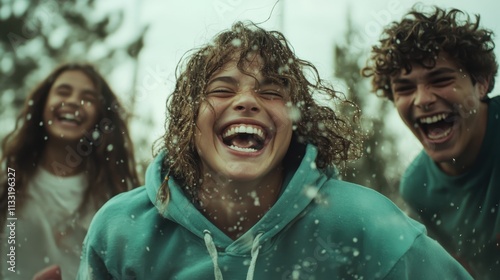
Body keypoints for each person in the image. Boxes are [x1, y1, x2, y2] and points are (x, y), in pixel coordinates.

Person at [77, 21, 472, 279]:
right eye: (221, 89)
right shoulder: (120, 230)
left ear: (296, 124)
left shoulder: (365, 224)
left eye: (271, 92)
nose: (247, 101)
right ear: (188, 119)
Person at [362, 5, 500, 279]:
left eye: (441, 79)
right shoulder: (417, 187)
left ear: (482, 82)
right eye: (404, 88)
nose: (422, 99)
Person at [0, 63, 140, 280]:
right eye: (63, 92)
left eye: (88, 98)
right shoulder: (7, 182)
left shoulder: (116, 195)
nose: (74, 101)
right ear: (42, 104)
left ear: (100, 117)